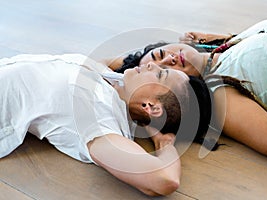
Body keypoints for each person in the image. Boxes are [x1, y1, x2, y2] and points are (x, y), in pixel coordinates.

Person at [0, 53, 209, 196]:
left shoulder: (96, 115)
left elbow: (164, 179)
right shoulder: (114, 80)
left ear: (152, 107)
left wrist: (165, 143)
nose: (152, 64)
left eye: (160, 74)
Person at [102, 19, 267, 167]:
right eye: (164, 73)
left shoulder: (220, 46)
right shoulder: (223, 96)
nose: (169, 59)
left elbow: (109, 64)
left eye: (160, 54)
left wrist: (212, 40)